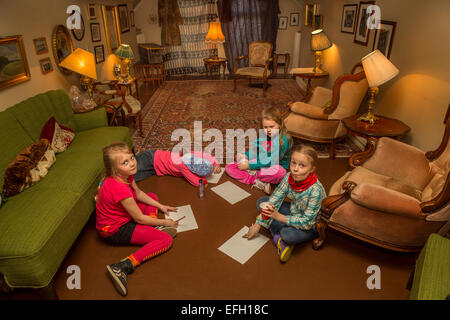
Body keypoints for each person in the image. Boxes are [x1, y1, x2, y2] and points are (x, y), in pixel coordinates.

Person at [96, 141, 179, 297]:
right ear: (114, 169)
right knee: (166, 240)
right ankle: (122, 266)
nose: (132, 163)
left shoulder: (125, 176)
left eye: (132, 158)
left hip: (122, 215)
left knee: (152, 197)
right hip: (115, 230)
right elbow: (140, 219)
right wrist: (164, 222)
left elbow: (139, 194)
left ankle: (152, 227)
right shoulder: (119, 188)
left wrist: (161, 206)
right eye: (125, 162)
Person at [244, 144, 326, 263]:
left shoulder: (315, 191)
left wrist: (278, 217)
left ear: (312, 169)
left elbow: (307, 222)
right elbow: (275, 198)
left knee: (288, 235)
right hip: (293, 211)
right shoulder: (289, 177)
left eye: (302, 165)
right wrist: (258, 224)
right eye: (293, 163)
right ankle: (277, 233)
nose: (295, 169)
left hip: (310, 224)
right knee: (262, 202)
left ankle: (279, 234)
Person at [225, 106, 292, 194]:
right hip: (260, 163)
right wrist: (245, 156)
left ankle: (253, 173)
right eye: (265, 127)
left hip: (274, 166)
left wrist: (249, 166)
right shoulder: (264, 135)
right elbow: (255, 151)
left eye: (272, 126)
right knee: (229, 167)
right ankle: (256, 181)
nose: (268, 130)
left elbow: (270, 162)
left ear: (279, 124)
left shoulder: (284, 140)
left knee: (280, 173)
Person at [133, 149, 221, 187]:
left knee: (133, 179)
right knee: (127, 171)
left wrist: (215, 164)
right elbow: (195, 182)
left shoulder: (192, 155)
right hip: (150, 158)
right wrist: (204, 181)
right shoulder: (183, 166)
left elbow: (207, 156)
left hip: (155, 168)